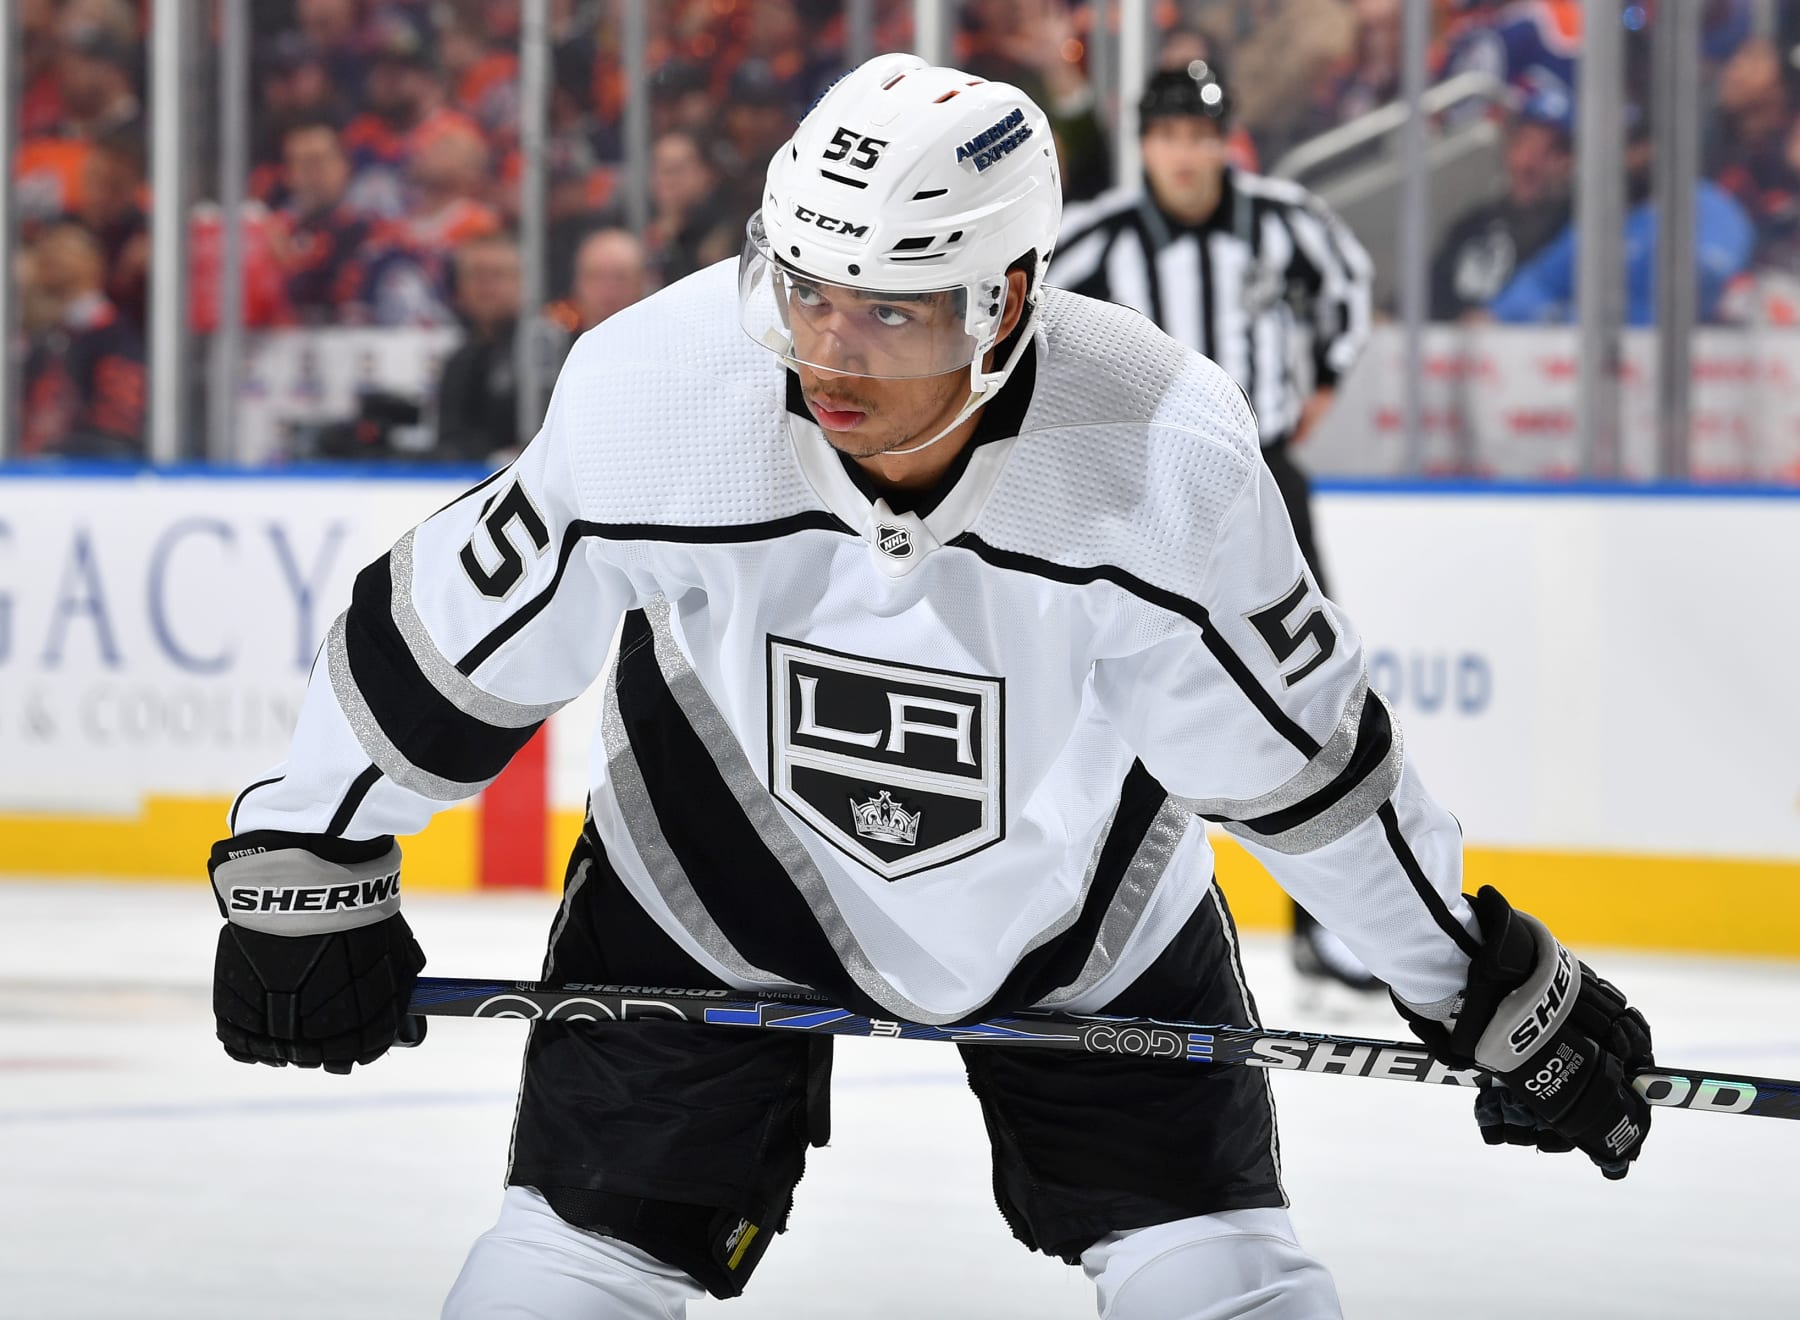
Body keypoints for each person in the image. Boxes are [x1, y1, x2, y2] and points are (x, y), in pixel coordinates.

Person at [207, 55, 1655, 1320]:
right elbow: (448, 641)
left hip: (1082, 912)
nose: (827, 353)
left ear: (1009, 295)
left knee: (1222, 1272)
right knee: (573, 1260)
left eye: (889, 313)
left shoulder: (1163, 451)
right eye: (805, 289)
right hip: (711, 889)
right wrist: (303, 846)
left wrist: (1475, 982)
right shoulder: (660, 388)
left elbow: (1307, 770)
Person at [1048, 61, 1380, 996]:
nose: (1187, 155)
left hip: (1265, 478)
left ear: (1224, 140)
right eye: (1169, 136)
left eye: (1202, 136)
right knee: (1111, 696)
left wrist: (1318, 387)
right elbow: (1038, 335)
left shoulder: (1285, 221)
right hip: (1139, 491)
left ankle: (1332, 924)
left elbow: (1348, 291)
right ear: (1144, 143)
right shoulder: (1098, 239)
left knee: (1305, 694)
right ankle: (1087, 909)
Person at [1429, 78, 1574, 321]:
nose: (1529, 163)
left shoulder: (1575, 230)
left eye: (1548, 151)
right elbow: (1427, 292)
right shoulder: (1472, 225)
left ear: (1569, 161)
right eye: (1524, 143)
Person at [432, 230, 524, 466]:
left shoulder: (548, 354)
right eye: (475, 275)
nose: (485, 286)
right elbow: (449, 439)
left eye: (497, 274)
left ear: (522, 282)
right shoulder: (458, 361)